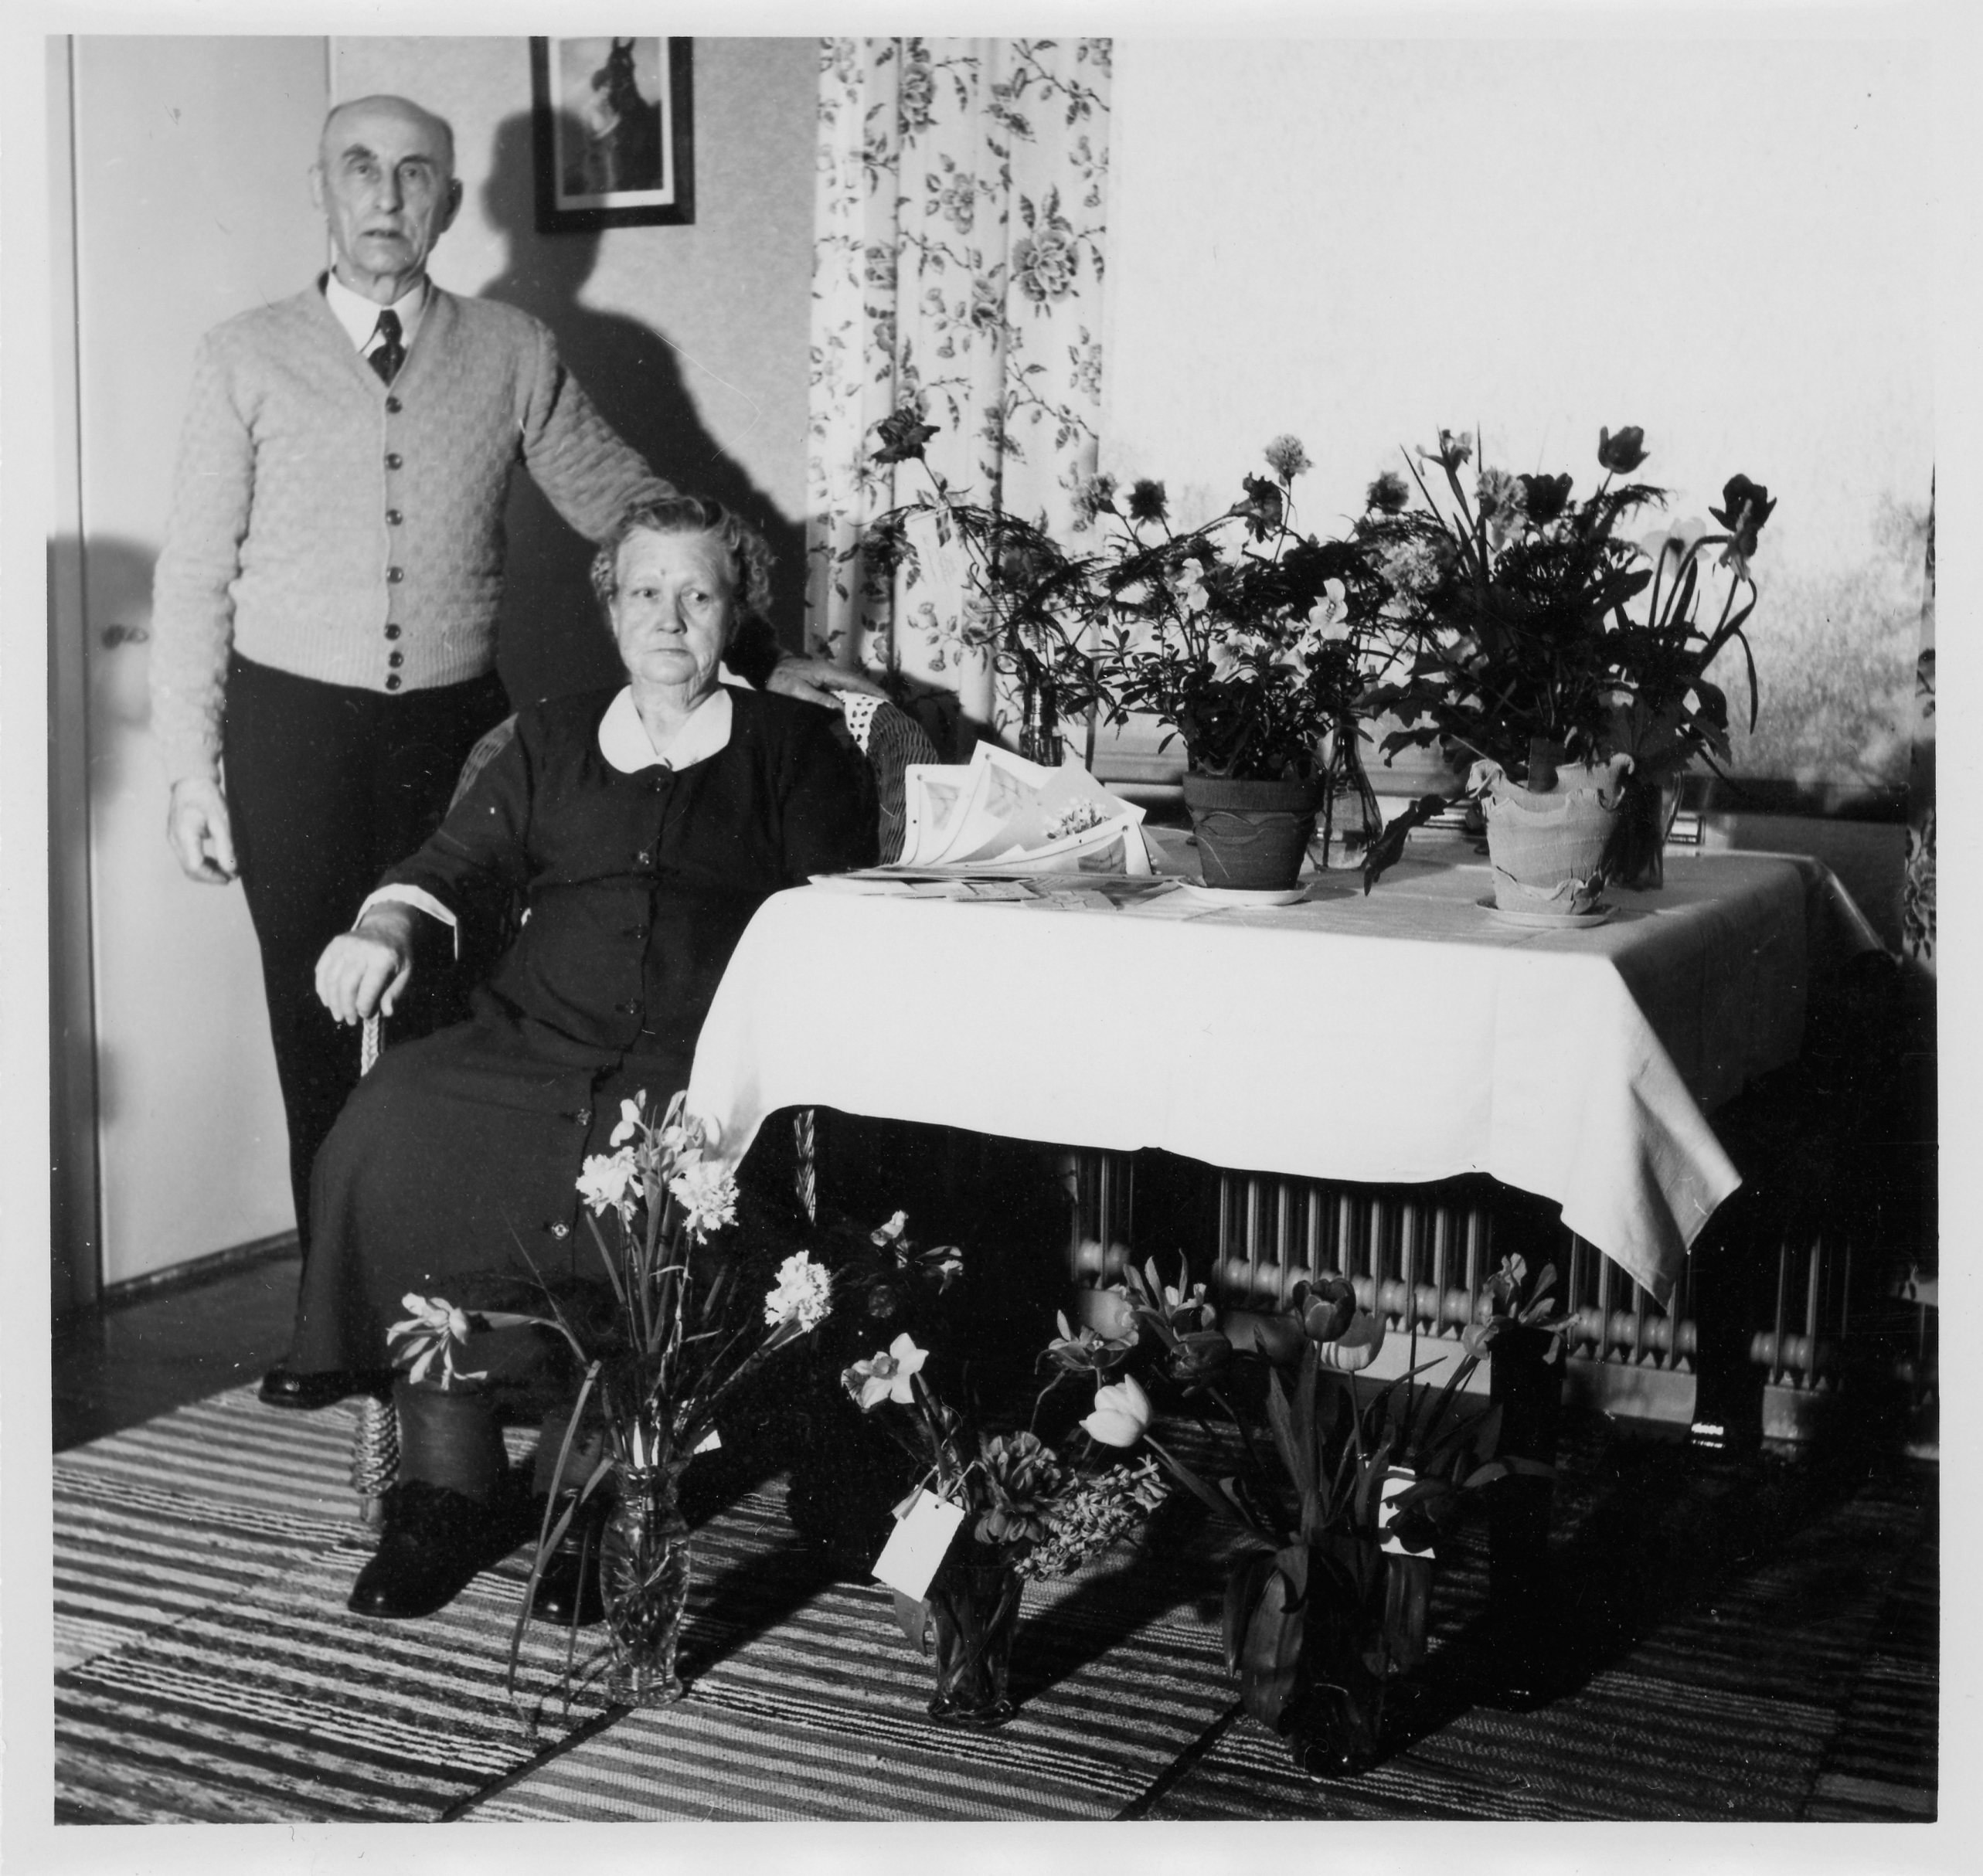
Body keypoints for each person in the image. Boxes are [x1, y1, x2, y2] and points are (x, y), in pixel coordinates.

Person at [149, 96, 869, 1413]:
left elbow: (630, 507)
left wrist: (759, 649)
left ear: (447, 200)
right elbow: (194, 570)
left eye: (415, 173)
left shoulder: (511, 348)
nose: (387, 195)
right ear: (322, 188)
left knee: (453, 1014)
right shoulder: (241, 355)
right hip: (289, 729)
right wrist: (193, 767)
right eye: (360, 168)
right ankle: (338, 1318)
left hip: (448, 725)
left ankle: (473, 1329)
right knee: (321, 1012)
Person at [286, 496, 877, 1618]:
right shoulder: (550, 738)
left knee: (652, 1187)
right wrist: (385, 925)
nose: (669, 617)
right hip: (529, 1036)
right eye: (645, 591)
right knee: (395, 1117)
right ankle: (446, 1493)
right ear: (611, 608)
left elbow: (834, 914)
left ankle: (593, 1496)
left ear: (737, 613)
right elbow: (450, 862)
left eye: (698, 594)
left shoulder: (791, 747)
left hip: (699, 1056)